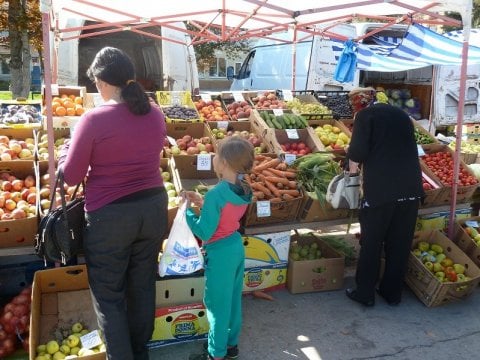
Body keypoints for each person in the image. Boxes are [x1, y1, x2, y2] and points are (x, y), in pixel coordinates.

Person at [57, 46, 168, 359]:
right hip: (153, 209)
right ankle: (140, 351)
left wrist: (66, 151)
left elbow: (71, 176)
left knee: (109, 295)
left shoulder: (93, 120)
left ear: (102, 82)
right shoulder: (154, 112)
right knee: (142, 284)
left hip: (111, 217)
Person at [345, 87, 424, 307]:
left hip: (381, 190)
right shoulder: (401, 115)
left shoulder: (365, 116)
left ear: (358, 103)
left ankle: (365, 293)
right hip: (410, 188)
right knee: (399, 243)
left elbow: (358, 153)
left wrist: (349, 151)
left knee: (371, 242)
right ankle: (392, 293)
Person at [183, 137, 254, 360]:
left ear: (223, 162)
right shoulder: (243, 188)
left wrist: (187, 212)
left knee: (216, 306)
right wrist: (203, 203)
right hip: (235, 247)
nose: (213, 158)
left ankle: (216, 353)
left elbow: (204, 231)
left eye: (216, 154)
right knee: (232, 301)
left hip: (220, 253)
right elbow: (226, 213)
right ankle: (231, 346)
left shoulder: (216, 194)